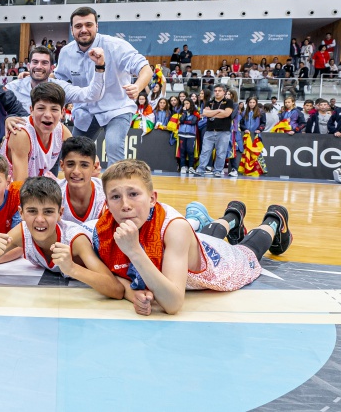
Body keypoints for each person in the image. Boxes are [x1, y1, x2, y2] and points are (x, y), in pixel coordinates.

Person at [93, 160, 292, 315]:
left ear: (153, 198)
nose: (125, 204)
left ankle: (274, 220)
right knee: (197, 236)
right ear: (107, 203)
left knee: (247, 253)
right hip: (195, 244)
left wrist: (134, 251)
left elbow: (173, 304)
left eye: (133, 194)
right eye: (115, 197)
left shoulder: (175, 229)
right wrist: (132, 293)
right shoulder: (103, 228)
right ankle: (232, 215)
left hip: (218, 264)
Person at [0, 178, 122, 298]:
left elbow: (116, 289)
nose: (40, 219)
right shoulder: (21, 231)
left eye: (48, 212)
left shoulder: (75, 241)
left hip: (108, 237)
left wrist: (73, 269)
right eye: (32, 211)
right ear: (21, 213)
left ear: (60, 213)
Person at [55, 7, 151, 166]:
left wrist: (138, 86)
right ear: (72, 30)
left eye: (88, 25)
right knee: (74, 152)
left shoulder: (116, 46)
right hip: (86, 110)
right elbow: (59, 79)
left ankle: (116, 189)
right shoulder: (66, 52)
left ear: (97, 26)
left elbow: (145, 68)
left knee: (113, 146)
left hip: (117, 108)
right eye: (78, 26)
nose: (83, 30)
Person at [1, 82, 73, 182]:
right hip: (10, 191)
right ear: (31, 110)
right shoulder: (21, 134)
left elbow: (82, 153)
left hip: (36, 186)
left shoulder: (60, 130)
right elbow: (20, 185)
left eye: (54, 109)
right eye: (41, 108)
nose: (48, 114)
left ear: (62, 112)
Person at [57, 136, 106, 224]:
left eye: (84, 165)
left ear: (94, 167)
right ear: (62, 166)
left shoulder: (106, 193)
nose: (76, 171)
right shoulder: (53, 193)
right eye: (70, 164)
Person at [195, 84, 233, 177]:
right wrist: (219, 111)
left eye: (219, 91)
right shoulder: (209, 102)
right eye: (215, 90)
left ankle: (218, 170)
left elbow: (226, 114)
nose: (217, 92)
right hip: (210, 130)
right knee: (205, 151)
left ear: (224, 92)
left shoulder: (229, 102)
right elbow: (204, 113)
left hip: (224, 131)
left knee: (221, 152)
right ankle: (200, 169)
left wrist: (211, 113)